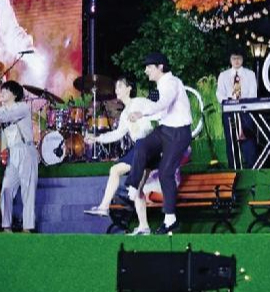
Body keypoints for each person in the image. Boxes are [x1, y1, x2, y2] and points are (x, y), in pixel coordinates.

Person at [114, 52, 193, 234]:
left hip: (179, 133)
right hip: (165, 130)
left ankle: (170, 219)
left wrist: (142, 112)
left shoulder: (172, 83)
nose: (146, 71)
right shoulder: (161, 85)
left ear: (160, 67)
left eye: (149, 67)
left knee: (166, 172)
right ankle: (132, 187)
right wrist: (142, 115)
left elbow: (163, 103)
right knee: (142, 144)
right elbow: (160, 112)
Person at [83, 76, 160, 235]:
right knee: (138, 190)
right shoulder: (124, 113)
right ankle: (144, 226)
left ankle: (104, 206)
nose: (116, 90)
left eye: (120, 86)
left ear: (129, 88)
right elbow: (117, 134)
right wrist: (97, 138)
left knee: (115, 170)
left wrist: (142, 120)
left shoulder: (140, 102)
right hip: (143, 150)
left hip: (147, 146)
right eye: (116, 87)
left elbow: (156, 113)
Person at [0, 80, 37, 233]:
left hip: (26, 151)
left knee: (28, 191)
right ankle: (6, 227)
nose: (2, 93)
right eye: (2, 90)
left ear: (14, 94)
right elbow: (0, 132)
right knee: (6, 188)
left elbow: (5, 116)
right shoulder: (1, 111)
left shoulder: (21, 107)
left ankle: (27, 228)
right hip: (12, 154)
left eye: (6, 91)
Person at [216, 49, 258, 168]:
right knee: (231, 141)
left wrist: (242, 102)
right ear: (230, 60)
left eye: (239, 58)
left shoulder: (250, 74)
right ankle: (234, 168)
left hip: (246, 112)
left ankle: (252, 167)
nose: (236, 61)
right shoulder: (223, 75)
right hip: (229, 113)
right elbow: (219, 94)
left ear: (242, 59)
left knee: (249, 141)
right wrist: (229, 101)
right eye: (234, 58)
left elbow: (253, 93)